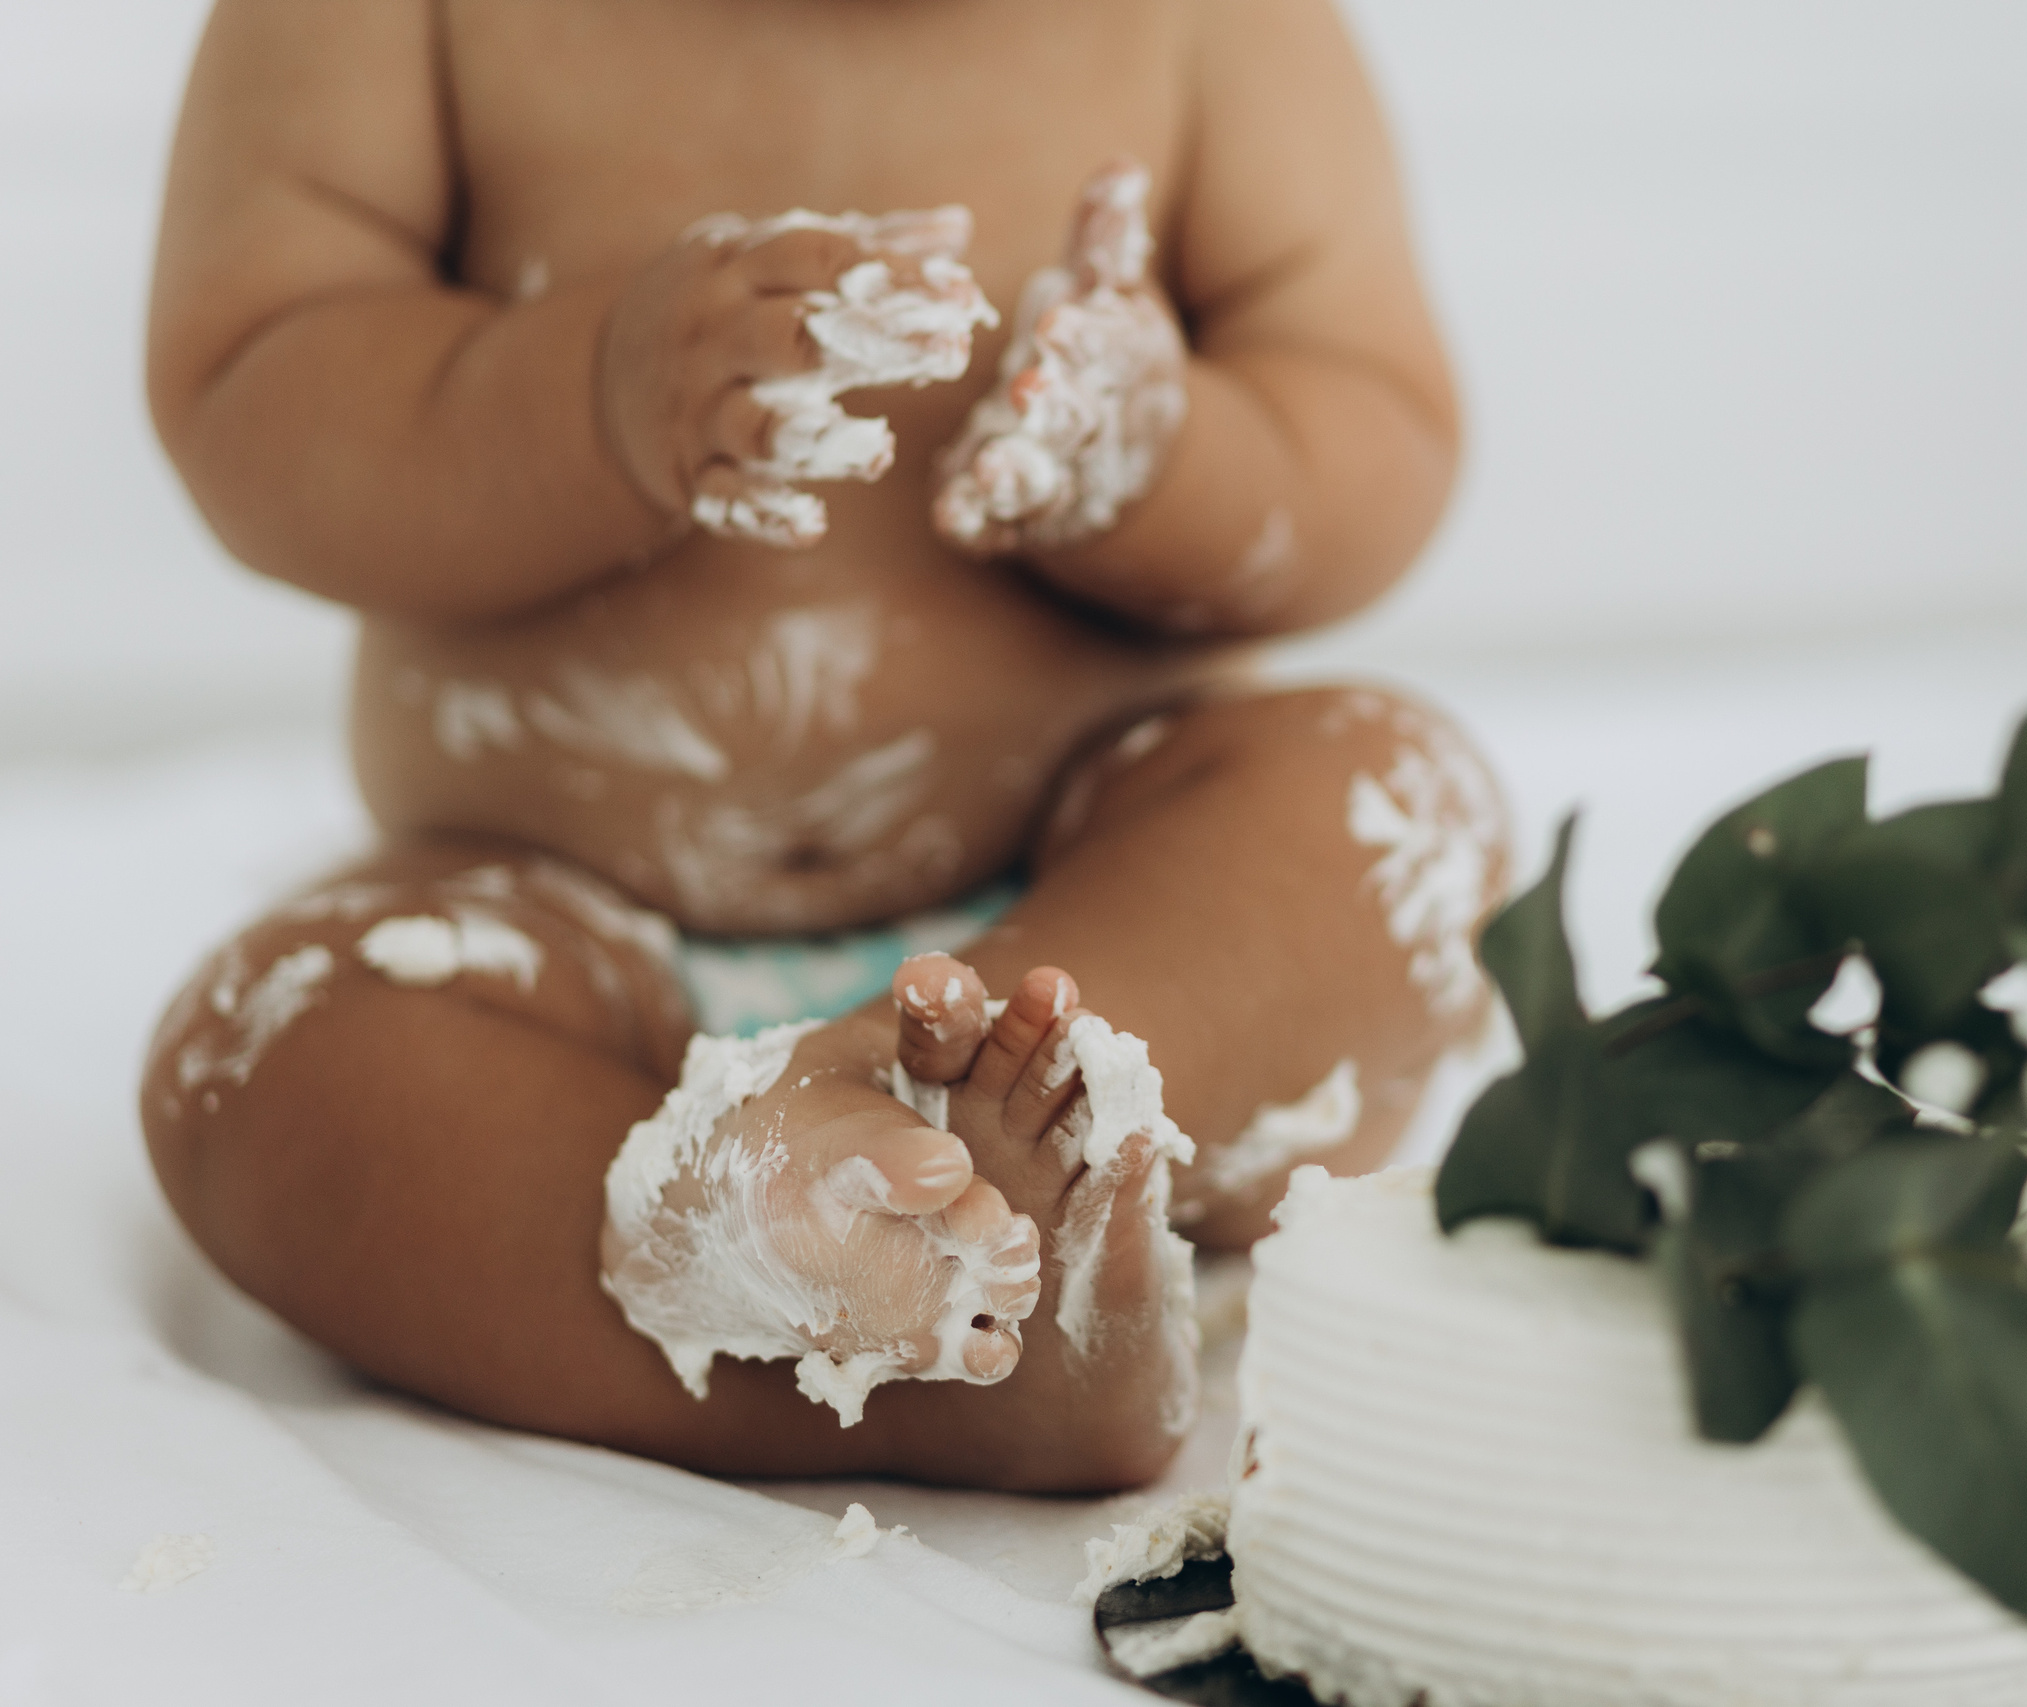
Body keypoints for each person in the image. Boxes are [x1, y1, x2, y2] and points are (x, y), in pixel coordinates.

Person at [138, 0, 1505, 1491]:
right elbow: (252, 390)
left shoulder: (1223, 26)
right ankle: (900, 1342)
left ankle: (1007, 1143)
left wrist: (1162, 459)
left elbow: (1375, 429)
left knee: (1389, 807)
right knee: (261, 1064)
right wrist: (591, 393)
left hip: (1090, 902)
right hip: (560, 958)